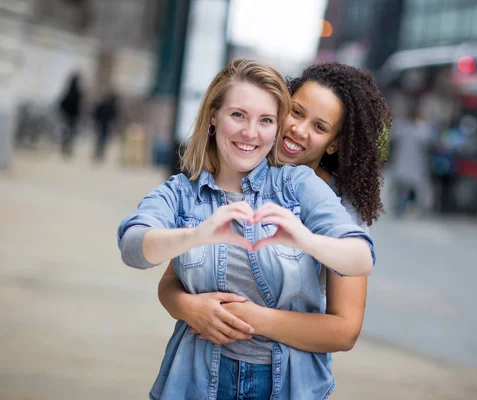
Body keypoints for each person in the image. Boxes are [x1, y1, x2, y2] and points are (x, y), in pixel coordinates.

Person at [117, 60, 376, 400]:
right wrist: (189, 303)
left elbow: (347, 321)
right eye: (295, 113)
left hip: (285, 381)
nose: (297, 130)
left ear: (333, 143)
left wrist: (305, 241)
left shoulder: (304, 189)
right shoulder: (188, 193)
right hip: (196, 376)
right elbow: (156, 264)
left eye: (319, 126)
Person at [389, 98, 434, 216]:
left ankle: (402, 207)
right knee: (405, 188)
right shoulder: (412, 128)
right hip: (408, 163)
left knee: (407, 188)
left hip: (411, 163)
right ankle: (401, 207)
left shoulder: (406, 127)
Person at [58, 73, 83, 157]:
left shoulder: (70, 91)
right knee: (70, 133)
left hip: (69, 116)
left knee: (67, 133)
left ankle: (65, 147)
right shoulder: (77, 92)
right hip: (72, 116)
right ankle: (67, 148)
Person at [92, 91, 119, 161]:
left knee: (101, 139)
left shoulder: (107, 104)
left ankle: (99, 153)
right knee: (102, 139)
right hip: (104, 124)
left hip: (103, 124)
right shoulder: (110, 105)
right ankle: (99, 153)